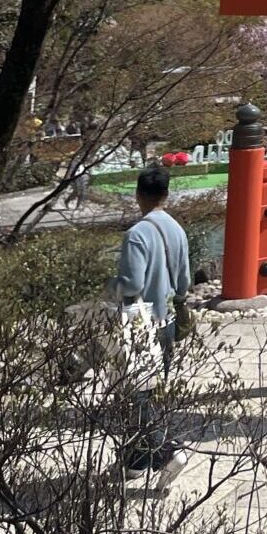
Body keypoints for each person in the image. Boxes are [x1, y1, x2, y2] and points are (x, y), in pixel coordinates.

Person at [109, 162, 191, 483]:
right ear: (166, 195)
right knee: (152, 392)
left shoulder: (137, 234)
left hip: (141, 325)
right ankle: (135, 462)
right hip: (167, 321)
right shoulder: (177, 230)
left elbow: (131, 284)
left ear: (139, 194)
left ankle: (168, 453)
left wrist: (108, 286)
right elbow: (184, 282)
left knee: (138, 396)